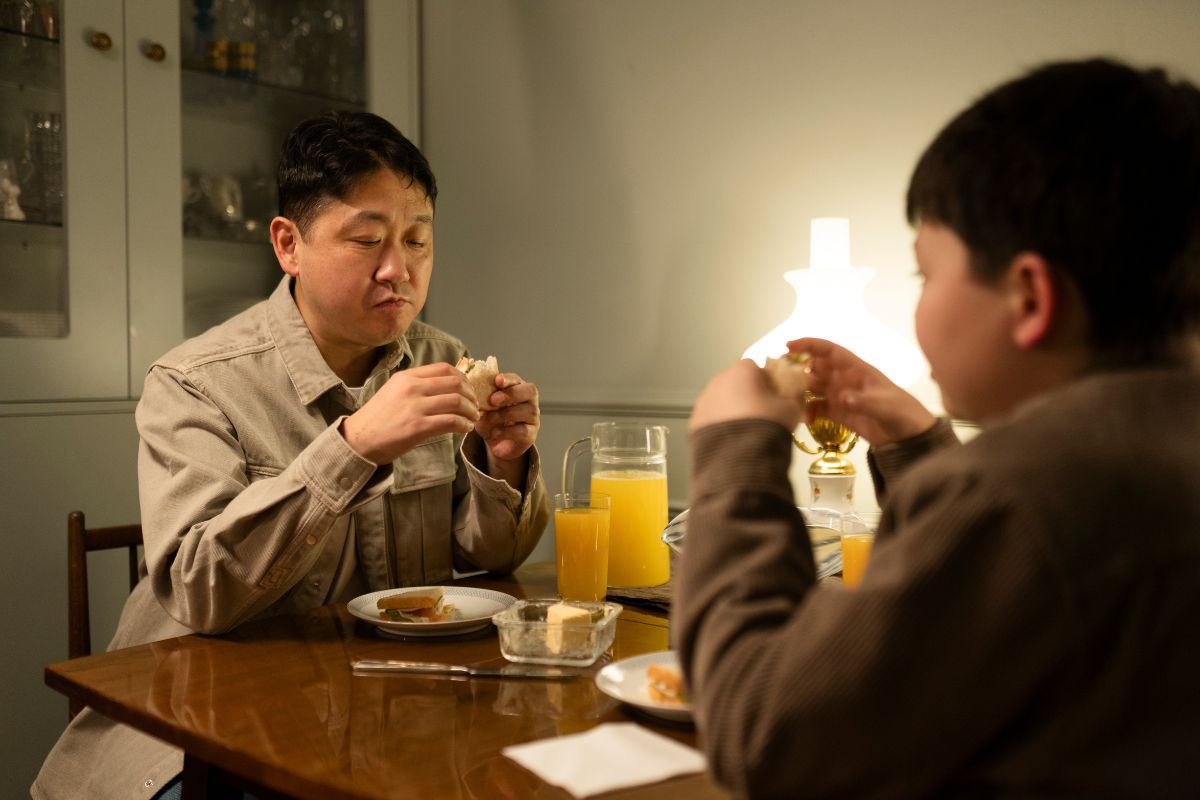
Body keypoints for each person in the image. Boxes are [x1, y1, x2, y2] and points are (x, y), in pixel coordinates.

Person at [676, 57, 1200, 799]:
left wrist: (736, 455)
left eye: (925, 275)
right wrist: (920, 448)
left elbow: (768, 735)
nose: (919, 304)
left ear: (1029, 298)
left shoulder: (1023, 496)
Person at [33, 110, 549, 800]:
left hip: (381, 716)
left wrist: (503, 459)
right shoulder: (195, 382)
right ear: (288, 244)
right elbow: (199, 590)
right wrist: (355, 443)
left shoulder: (439, 359)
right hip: (194, 737)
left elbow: (491, 556)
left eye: (418, 240)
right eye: (366, 240)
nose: (399, 269)